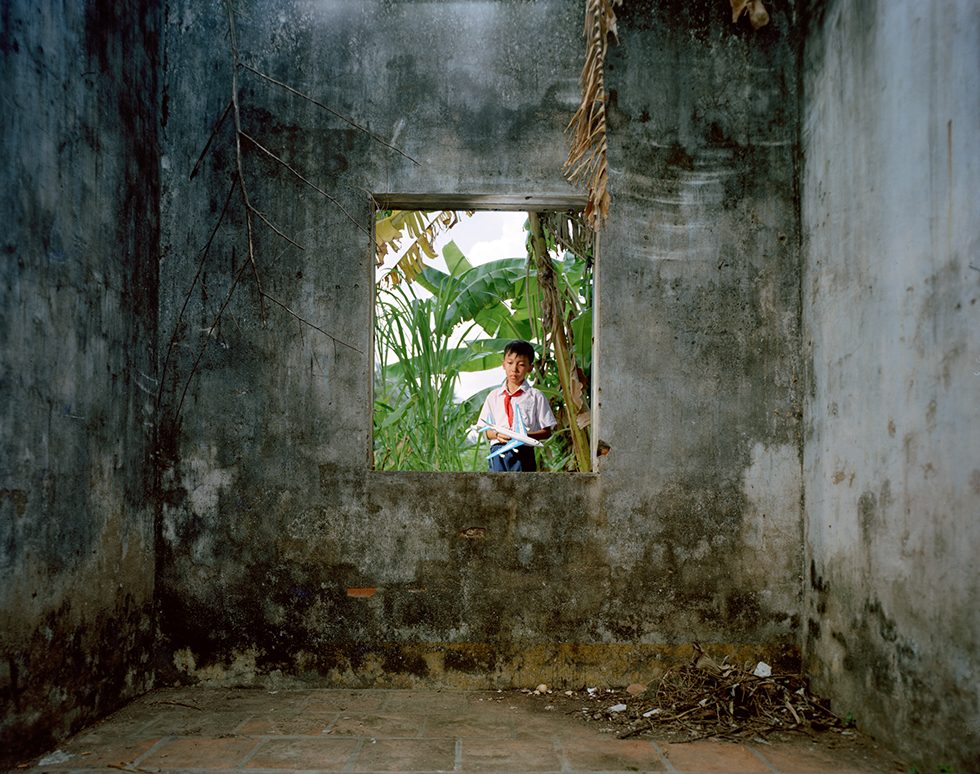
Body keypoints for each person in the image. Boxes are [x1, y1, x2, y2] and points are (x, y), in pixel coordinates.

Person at [478, 340, 557, 472]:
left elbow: (547, 431)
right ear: (503, 364)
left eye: (521, 365)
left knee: (522, 489)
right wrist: (497, 435)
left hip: (524, 451)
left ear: (530, 368)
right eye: (510, 363)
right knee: (497, 489)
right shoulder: (493, 397)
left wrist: (524, 436)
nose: (514, 369)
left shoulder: (536, 396)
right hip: (498, 450)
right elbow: (486, 431)